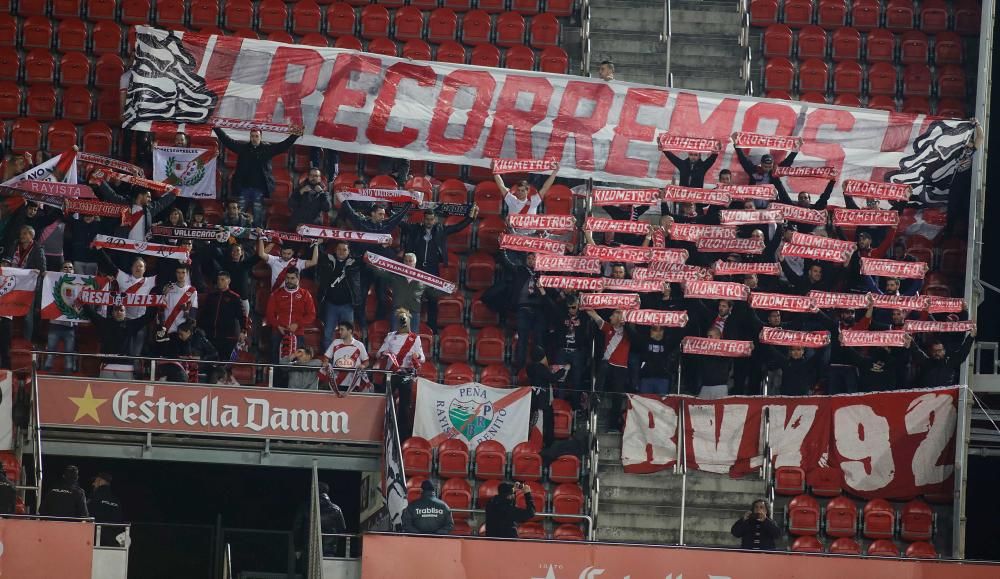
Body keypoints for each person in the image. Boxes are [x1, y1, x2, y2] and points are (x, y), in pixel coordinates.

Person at [398, 205, 478, 330]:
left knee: (432, 299)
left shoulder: (440, 230)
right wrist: (389, 209)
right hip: (416, 268)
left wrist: (471, 218)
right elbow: (401, 224)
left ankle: (432, 328)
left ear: (435, 220)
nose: (429, 222)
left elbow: (457, 228)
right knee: (411, 298)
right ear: (423, 219)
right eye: (427, 219)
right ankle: (406, 328)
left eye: (431, 219)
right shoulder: (416, 229)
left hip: (432, 269)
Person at [214, 126, 302, 225]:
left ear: (261, 137)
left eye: (256, 136)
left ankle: (257, 235)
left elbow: (283, 146)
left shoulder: (267, 149)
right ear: (250, 137)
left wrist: (295, 135)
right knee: (238, 213)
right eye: (252, 136)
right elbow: (227, 141)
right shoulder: (243, 148)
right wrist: (216, 128)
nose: (254, 138)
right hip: (243, 187)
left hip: (259, 189)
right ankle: (237, 235)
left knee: (257, 213)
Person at [375, 308, 425, 438]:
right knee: (385, 402)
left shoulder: (415, 338)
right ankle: (382, 429)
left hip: (406, 375)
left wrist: (417, 355)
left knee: (404, 406)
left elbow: (423, 358)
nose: (403, 321)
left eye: (405, 319)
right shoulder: (391, 336)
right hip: (391, 374)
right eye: (401, 319)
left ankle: (401, 435)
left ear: (409, 321)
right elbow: (378, 353)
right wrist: (384, 353)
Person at [315, 241, 361, 349]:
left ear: (349, 251)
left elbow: (366, 254)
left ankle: (346, 359)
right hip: (331, 305)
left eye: (344, 249)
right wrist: (318, 243)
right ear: (335, 250)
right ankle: (328, 360)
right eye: (339, 249)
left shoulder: (355, 263)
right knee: (327, 334)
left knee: (348, 335)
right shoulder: (327, 260)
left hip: (347, 305)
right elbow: (317, 254)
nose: (341, 252)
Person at [265, 270, 318, 363]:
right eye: (287, 278)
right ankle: (276, 378)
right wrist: (277, 325)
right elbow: (269, 314)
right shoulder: (276, 294)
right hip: (279, 331)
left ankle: (294, 378)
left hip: (298, 333)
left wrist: (298, 324)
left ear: (298, 279)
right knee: (275, 359)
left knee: (297, 360)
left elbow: (311, 315)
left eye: (292, 278)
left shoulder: (305, 294)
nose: (289, 280)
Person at [197, 270, 245, 361]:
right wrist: (199, 327)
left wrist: (243, 331)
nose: (220, 282)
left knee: (225, 362)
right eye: (218, 280)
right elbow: (204, 314)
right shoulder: (211, 296)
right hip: (211, 335)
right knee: (210, 361)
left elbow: (242, 316)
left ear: (228, 281)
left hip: (227, 337)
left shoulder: (235, 297)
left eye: (222, 280)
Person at [43, 262, 81, 373]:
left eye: (70, 268)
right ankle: (45, 376)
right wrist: (46, 276)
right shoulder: (54, 282)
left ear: (74, 271)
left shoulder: (78, 285)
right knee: (50, 354)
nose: (68, 270)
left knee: (69, 354)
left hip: (70, 327)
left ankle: (68, 377)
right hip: (55, 324)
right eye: (65, 268)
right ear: (60, 270)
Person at [294, 481, 347, 560]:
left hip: (309, 548)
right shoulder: (336, 509)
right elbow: (342, 529)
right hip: (329, 550)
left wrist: (297, 548)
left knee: (308, 571)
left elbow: (297, 528)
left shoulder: (305, 507)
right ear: (327, 492)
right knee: (327, 570)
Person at [322, 321, 370, 393]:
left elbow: (366, 362)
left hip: (353, 382)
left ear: (350, 331)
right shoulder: (335, 342)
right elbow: (326, 357)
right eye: (339, 330)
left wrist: (363, 365)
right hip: (336, 381)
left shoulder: (359, 345)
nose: (339, 332)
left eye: (342, 329)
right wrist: (325, 362)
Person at [160, 264, 198, 333]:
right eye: (178, 272)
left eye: (183, 272)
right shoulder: (168, 288)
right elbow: (160, 307)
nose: (180, 275)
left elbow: (193, 311)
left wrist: (187, 311)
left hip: (182, 329)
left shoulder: (192, 290)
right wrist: (164, 294)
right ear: (175, 273)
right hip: (168, 327)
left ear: (187, 274)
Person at [89, 472, 124, 547]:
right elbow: (119, 521)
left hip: (93, 540)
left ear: (101, 482)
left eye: (95, 481)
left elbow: (86, 515)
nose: (93, 484)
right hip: (112, 542)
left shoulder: (94, 497)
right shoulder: (116, 500)